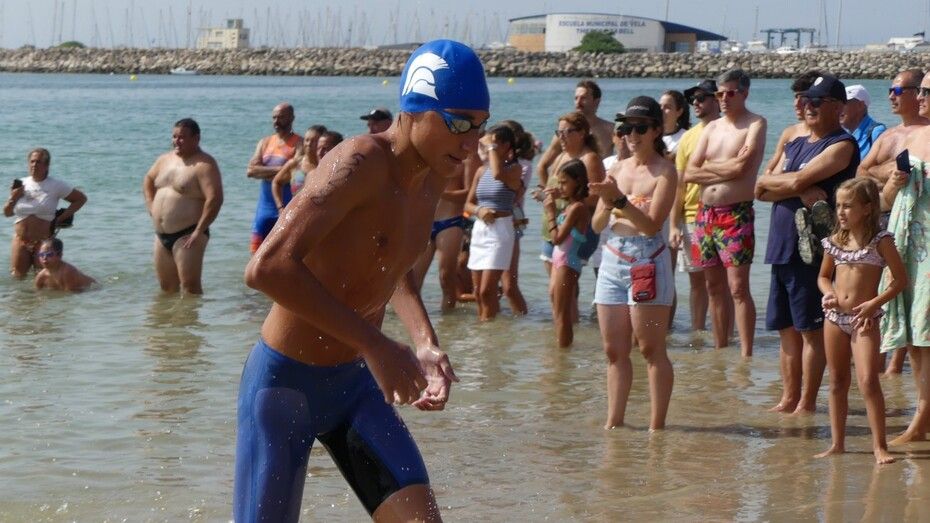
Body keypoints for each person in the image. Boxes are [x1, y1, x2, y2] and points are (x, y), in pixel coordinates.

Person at [234, 39, 484, 522]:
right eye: (458, 123)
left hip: (353, 386)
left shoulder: (431, 174)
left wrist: (423, 341)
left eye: (480, 125)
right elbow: (266, 267)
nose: (471, 142)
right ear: (415, 110)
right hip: (284, 385)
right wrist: (376, 345)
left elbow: (392, 267)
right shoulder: (359, 162)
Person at [756, 74, 859, 414]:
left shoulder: (841, 145)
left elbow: (791, 180)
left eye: (816, 101)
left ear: (838, 107)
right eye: (805, 100)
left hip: (813, 251)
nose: (807, 106)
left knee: (810, 330)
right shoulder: (794, 139)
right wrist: (796, 189)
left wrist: (787, 183)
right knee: (785, 328)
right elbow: (759, 189)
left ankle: (807, 402)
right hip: (781, 245)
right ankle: (789, 398)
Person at [589, 96, 676, 431]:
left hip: (647, 258)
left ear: (656, 130)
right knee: (613, 350)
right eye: (626, 128)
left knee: (651, 349)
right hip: (613, 256)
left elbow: (652, 225)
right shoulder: (615, 170)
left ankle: (657, 428)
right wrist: (607, 202)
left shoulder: (666, 171)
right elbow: (597, 224)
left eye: (640, 128)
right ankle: (614, 423)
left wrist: (620, 202)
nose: (632, 135)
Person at [816, 178, 904, 464]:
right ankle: (837, 443)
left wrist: (874, 304)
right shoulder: (835, 241)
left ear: (867, 208)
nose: (840, 212)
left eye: (848, 206)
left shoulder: (881, 241)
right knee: (837, 381)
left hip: (864, 319)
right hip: (834, 318)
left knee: (868, 380)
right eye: (838, 206)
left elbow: (900, 280)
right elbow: (823, 277)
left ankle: (880, 447)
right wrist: (829, 294)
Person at [684, 69, 767, 358]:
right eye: (719, 93)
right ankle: (720, 349)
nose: (723, 99)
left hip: (736, 214)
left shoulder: (755, 124)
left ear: (744, 93)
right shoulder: (711, 128)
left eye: (730, 93)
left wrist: (713, 169)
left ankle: (746, 354)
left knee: (738, 287)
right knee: (712, 285)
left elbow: (742, 169)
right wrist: (726, 168)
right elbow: (689, 172)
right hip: (705, 214)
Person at [857, 69, 928, 375]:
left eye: (898, 91)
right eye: (890, 90)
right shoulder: (890, 136)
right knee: (887, 301)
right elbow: (862, 173)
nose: (890, 96)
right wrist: (887, 171)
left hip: (918, 229)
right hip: (889, 222)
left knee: (913, 305)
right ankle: (881, 369)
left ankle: (895, 370)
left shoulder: (923, 134)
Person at [879, 69, 930, 445]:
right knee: (914, 334)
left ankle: (920, 422)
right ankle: (922, 417)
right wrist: (894, 183)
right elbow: (884, 197)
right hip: (907, 244)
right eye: (921, 91)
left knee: (926, 332)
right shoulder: (912, 137)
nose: (921, 97)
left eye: (927, 91)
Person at [142, 118, 224, 295]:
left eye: (182, 137)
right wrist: (150, 205)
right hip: (161, 235)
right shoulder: (164, 160)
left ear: (196, 138)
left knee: (190, 290)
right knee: (167, 289)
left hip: (188, 234)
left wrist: (199, 231)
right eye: (174, 136)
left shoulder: (204, 164)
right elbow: (148, 179)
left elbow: (215, 199)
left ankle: (194, 315)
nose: (176, 141)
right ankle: (170, 316)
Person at [670, 80, 719, 332]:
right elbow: (679, 185)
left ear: (717, 99)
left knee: (722, 283)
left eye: (701, 98)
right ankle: (698, 333)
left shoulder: (729, 130)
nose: (696, 103)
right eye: (692, 100)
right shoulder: (688, 138)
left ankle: (724, 335)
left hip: (723, 215)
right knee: (697, 282)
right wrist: (673, 225)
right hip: (691, 218)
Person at [464, 124, 523, 321]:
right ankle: (486, 331)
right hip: (481, 229)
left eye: (495, 143)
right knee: (478, 293)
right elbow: (468, 204)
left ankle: (489, 331)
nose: (489, 147)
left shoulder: (514, 169)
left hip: (500, 230)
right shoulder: (481, 171)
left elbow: (498, 174)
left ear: (507, 146)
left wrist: (490, 147)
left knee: (487, 291)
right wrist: (479, 210)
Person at [538, 112, 605, 276]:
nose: (561, 137)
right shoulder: (562, 156)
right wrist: (544, 193)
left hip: (575, 232)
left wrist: (561, 196)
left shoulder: (590, 159)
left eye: (567, 132)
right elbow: (553, 185)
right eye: (559, 132)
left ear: (582, 133)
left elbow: (596, 198)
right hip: (553, 227)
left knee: (566, 284)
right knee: (554, 287)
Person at [4, 148, 87, 278]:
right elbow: (7, 213)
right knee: (18, 278)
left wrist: (60, 218)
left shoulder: (56, 185)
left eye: (38, 162)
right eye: (32, 161)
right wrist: (14, 197)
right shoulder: (21, 184)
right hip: (21, 240)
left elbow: (80, 199)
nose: (34, 165)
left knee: (45, 278)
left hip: (43, 242)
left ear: (47, 165)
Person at [411, 143, 472, 312]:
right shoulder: (428, 156)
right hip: (426, 222)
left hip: (451, 221)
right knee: (413, 280)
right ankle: (410, 321)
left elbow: (469, 194)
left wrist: (441, 193)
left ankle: (448, 322)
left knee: (446, 277)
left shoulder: (465, 160)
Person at [543, 159, 590, 347]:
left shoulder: (578, 208)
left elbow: (557, 238)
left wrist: (550, 212)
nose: (560, 187)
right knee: (557, 309)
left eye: (564, 183)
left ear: (577, 181)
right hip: (560, 261)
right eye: (559, 183)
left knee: (562, 313)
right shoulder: (570, 206)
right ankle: (561, 350)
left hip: (567, 263)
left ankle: (563, 355)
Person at [246, 102, 302, 254]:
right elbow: (250, 171)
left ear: (292, 118)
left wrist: (263, 171)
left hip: (287, 205)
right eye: (274, 117)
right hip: (264, 208)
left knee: (287, 253)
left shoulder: (299, 143)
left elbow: (295, 174)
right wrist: (284, 169)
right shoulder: (265, 142)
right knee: (256, 253)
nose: (276, 121)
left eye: (281, 117)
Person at [499, 119, 533, 315]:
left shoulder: (523, 165)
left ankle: (523, 321)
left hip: (512, 220)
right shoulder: (494, 163)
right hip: (490, 222)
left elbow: (514, 194)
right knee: (487, 285)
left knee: (509, 285)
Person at [271, 125, 327, 210]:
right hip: (296, 211)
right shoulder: (295, 163)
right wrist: (280, 207)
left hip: (319, 211)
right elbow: (276, 182)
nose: (309, 144)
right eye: (307, 140)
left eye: (314, 141)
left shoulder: (325, 165)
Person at [841, 85, 886, 160]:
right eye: (839, 104)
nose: (839, 108)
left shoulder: (877, 133)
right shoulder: (844, 136)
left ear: (860, 105)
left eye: (844, 103)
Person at [659, 89, 690, 160]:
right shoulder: (651, 135)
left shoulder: (686, 137)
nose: (661, 110)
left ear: (679, 112)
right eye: (660, 106)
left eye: (667, 107)